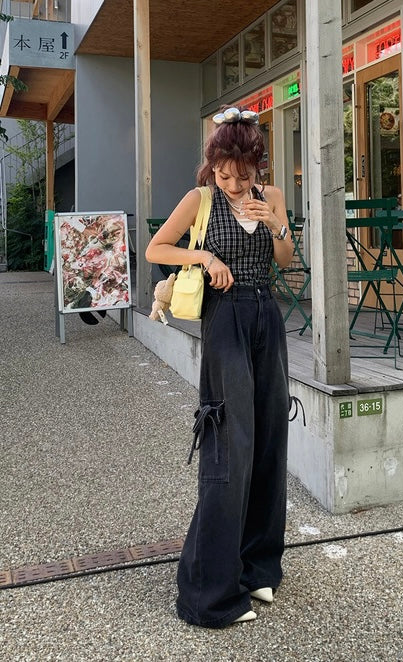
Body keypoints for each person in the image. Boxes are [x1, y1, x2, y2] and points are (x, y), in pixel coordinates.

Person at [146, 105, 295, 628]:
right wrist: (205, 258)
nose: (233, 185)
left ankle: (259, 567)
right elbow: (157, 247)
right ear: (213, 166)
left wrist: (276, 223)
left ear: (258, 165)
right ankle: (208, 592)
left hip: (266, 317)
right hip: (225, 319)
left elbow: (284, 261)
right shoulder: (201, 199)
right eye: (224, 174)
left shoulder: (272, 196)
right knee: (230, 444)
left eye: (243, 175)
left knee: (270, 440)